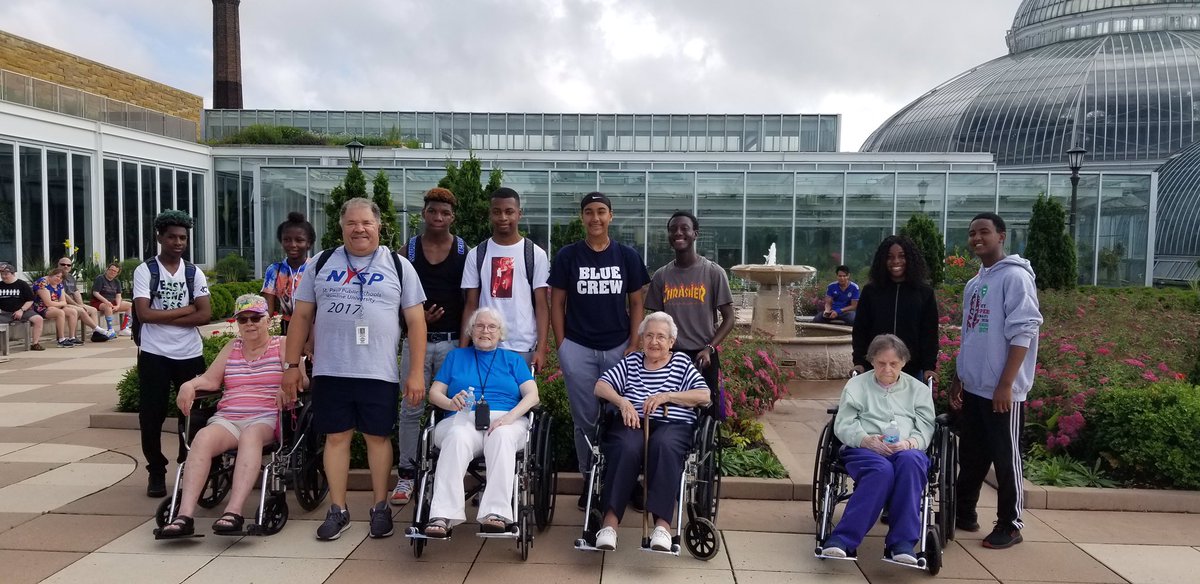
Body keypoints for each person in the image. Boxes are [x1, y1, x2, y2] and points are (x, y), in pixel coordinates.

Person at [283, 197, 427, 542]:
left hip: (378, 371)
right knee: (336, 438)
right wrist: (290, 365)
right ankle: (339, 509)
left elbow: (417, 322)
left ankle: (380, 507)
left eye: (366, 223)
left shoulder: (398, 264)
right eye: (352, 223)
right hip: (331, 370)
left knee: (378, 438)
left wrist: (416, 372)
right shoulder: (320, 263)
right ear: (341, 227)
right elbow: (301, 316)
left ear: (379, 227)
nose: (359, 229)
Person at [155, 294, 307, 538]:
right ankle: (184, 516)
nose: (249, 324)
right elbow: (211, 379)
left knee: (250, 436)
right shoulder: (232, 347)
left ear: (269, 320)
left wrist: (286, 386)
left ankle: (233, 512)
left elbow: (302, 379)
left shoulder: (283, 344)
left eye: (256, 318)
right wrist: (190, 385)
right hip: (229, 417)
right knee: (203, 437)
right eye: (243, 319)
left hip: (266, 417)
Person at [549, 191, 650, 508]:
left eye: (601, 211)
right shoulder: (568, 255)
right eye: (589, 212)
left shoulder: (627, 256)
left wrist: (634, 343)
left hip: (618, 348)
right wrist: (562, 344)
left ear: (611, 216)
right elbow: (557, 302)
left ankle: (626, 479)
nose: (595, 217)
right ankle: (589, 479)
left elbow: (637, 302)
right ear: (582, 217)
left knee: (623, 415)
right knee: (586, 420)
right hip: (578, 347)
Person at [950, 212, 1042, 550]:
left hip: (1003, 391)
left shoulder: (1015, 278)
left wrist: (1006, 384)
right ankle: (964, 512)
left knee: (1006, 458)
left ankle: (1010, 524)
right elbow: (970, 334)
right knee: (972, 456)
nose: (977, 238)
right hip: (975, 388)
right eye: (972, 232)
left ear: (1001, 236)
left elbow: (1024, 330)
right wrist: (959, 376)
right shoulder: (975, 283)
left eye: (984, 232)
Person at [591, 312, 710, 551]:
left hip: (672, 425)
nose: (654, 342)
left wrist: (668, 396)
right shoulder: (631, 362)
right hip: (633, 423)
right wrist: (622, 401)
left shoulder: (681, 364)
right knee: (625, 446)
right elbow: (600, 386)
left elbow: (704, 395)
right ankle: (609, 526)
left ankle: (663, 528)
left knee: (663, 445)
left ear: (671, 342)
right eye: (649, 336)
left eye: (661, 337)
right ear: (642, 339)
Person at [421, 307, 540, 537]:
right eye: (479, 326)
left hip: (506, 419)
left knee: (502, 437)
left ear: (500, 332)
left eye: (491, 327)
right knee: (457, 438)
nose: (485, 331)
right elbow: (434, 393)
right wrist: (450, 403)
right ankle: (442, 514)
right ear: (471, 330)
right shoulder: (456, 356)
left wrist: (509, 418)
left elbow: (533, 396)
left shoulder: (513, 360)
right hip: (461, 417)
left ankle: (495, 513)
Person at [819, 334, 935, 564]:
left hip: (906, 449)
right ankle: (842, 539)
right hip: (865, 449)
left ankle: (901, 544)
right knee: (880, 471)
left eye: (893, 363)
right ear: (872, 361)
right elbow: (844, 423)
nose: (887, 369)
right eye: (881, 363)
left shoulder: (918, 390)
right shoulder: (857, 385)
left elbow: (925, 428)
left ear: (903, 362)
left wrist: (908, 443)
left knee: (911, 464)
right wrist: (866, 440)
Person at [392, 187, 469, 506]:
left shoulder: (464, 251)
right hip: (417, 343)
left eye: (445, 213)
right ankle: (407, 474)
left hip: (452, 343)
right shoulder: (406, 251)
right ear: (423, 213)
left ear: (453, 217)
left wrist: (466, 347)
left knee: (451, 411)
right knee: (411, 409)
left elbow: (471, 299)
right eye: (433, 211)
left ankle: (444, 473)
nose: (438, 217)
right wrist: (415, 317)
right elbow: (390, 296)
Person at [133, 210, 212, 498]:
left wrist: (162, 315)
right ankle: (156, 469)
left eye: (183, 238)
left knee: (193, 414)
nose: (178, 242)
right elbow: (143, 314)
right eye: (172, 237)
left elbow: (205, 314)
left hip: (189, 353)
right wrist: (186, 310)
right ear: (160, 238)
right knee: (151, 414)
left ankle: (187, 463)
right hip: (155, 353)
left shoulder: (193, 272)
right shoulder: (146, 271)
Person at [644, 210, 734, 402]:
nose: (678, 233)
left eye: (684, 228)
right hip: (669, 356)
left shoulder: (713, 272)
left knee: (705, 408)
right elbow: (656, 321)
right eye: (673, 229)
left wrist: (709, 348)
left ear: (695, 233)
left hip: (703, 355)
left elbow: (729, 318)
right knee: (668, 408)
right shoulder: (661, 276)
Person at [461, 187, 551, 370]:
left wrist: (541, 349)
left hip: (522, 347)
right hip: (484, 345)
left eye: (509, 212)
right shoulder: (477, 254)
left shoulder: (535, 254)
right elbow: (471, 304)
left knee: (523, 398)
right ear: (490, 215)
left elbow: (542, 304)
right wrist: (463, 349)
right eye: (497, 212)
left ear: (519, 214)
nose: (503, 217)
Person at [852, 235, 938, 382]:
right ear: (882, 261)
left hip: (912, 370)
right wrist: (859, 362)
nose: (896, 261)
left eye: (902, 256)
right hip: (876, 368)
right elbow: (860, 329)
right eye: (890, 257)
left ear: (910, 259)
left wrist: (929, 366)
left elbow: (929, 333)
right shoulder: (871, 291)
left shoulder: (924, 293)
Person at [261, 211, 315, 336]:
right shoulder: (274, 270)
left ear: (309, 243)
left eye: (299, 240)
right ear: (281, 242)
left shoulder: (316, 269)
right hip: (287, 327)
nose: (293, 245)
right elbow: (267, 308)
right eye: (287, 240)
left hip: (313, 328)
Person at [57, 256, 112, 341]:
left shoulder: (71, 277)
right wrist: (77, 305)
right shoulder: (58, 277)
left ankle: (96, 334)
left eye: (68, 265)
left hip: (72, 303)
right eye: (63, 264)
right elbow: (63, 295)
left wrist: (81, 304)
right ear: (58, 265)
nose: (66, 266)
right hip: (63, 303)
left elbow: (76, 292)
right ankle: (74, 337)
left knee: (93, 310)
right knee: (79, 310)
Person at [0, 262, 46, 351]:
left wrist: (21, 310)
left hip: (23, 311)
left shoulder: (22, 284)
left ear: (13, 274)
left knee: (38, 319)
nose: (4, 276)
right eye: (2, 274)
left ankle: (35, 343)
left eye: (6, 274)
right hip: (5, 313)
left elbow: (30, 300)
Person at [32, 267, 81, 348]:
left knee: (73, 311)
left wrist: (56, 305)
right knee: (60, 313)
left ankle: (72, 337)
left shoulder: (59, 285)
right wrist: (57, 304)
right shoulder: (42, 283)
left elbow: (64, 301)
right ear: (51, 275)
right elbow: (47, 303)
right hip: (40, 308)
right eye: (57, 276)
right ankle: (61, 339)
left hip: (54, 307)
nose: (59, 279)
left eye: (61, 278)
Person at [91, 262, 133, 336]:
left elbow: (118, 295)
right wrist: (106, 302)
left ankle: (124, 328)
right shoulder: (100, 278)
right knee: (108, 307)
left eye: (115, 271)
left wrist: (118, 305)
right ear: (107, 269)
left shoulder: (117, 282)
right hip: (99, 302)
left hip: (112, 302)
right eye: (111, 270)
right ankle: (110, 329)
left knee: (130, 305)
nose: (112, 272)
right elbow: (95, 293)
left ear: (117, 273)